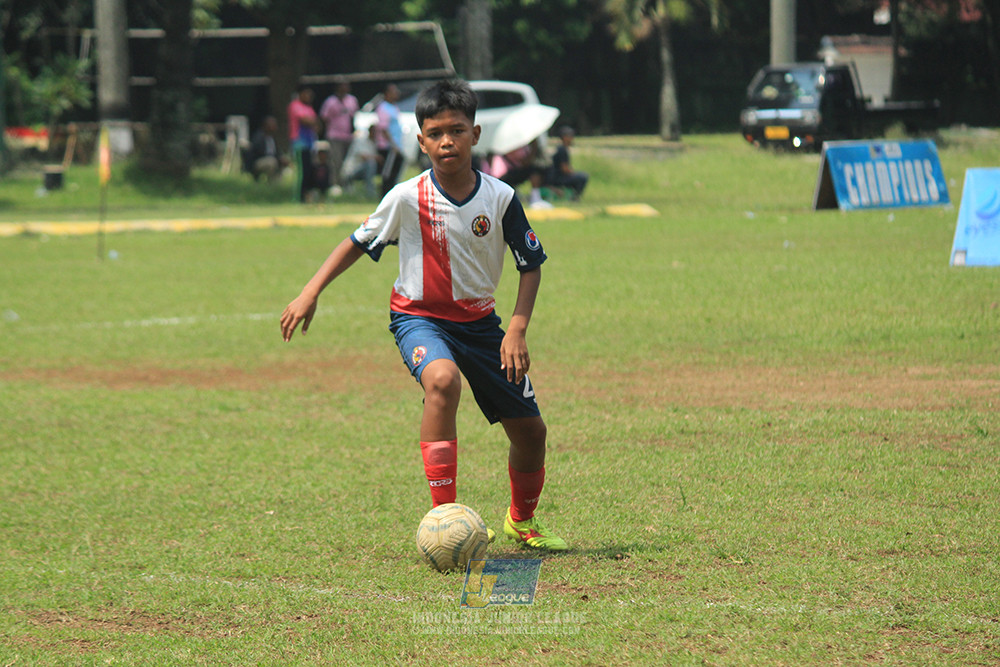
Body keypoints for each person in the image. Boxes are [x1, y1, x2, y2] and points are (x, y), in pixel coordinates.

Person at [280, 78, 567, 552]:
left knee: (531, 432)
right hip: (420, 319)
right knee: (442, 381)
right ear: (420, 141)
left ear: (475, 134)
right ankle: (444, 517)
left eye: (456, 130)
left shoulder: (499, 198)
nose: (446, 141)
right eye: (435, 133)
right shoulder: (405, 197)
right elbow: (355, 243)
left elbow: (530, 265)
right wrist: (310, 292)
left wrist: (516, 329)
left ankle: (521, 521)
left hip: (482, 327)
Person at [319, 82, 359, 195]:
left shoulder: (352, 100)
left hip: (348, 136)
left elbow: (354, 116)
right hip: (334, 135)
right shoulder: (330, 102)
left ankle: (346, 183)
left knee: (348, 162)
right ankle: (335, 184)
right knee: (336, 160)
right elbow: (324, 118)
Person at [489, 139, 551, 209]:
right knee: (533, 170)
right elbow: (525, 162)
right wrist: (534, 147)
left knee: (534, 170)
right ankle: (535, 198)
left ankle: (535, 196)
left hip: (507, 174)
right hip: (502, 176)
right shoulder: (512, 145)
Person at [287, 85, 319, 202]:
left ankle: (306, 196)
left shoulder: (309, 108)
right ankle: (298, 197)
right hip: (299, 143)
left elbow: (316, 124)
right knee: (302, 171)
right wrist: (312, 121)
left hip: (310, 143)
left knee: (309, 171)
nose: (308, 97)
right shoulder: (295, 106)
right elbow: (306, 120)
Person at [375, 83, 405, 197]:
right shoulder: (383, 108)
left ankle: (393, 195)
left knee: (395, 173)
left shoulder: (394, 107)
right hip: (389, 147)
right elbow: (384, 129)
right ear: (387, 94)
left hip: (396, 146)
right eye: (394, 91)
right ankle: (385, 196)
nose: (396, 94)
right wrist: (393, 144)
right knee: (387, 174)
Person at [341, 124, 381, 199]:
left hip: (362, 170)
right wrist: (377, 158)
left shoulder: (373, 144)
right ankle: (370, 193)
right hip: (352, 170)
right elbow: (363, 157)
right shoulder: (360, 140)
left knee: (371, 164)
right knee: (371, 164)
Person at [548, 126, 589, 200]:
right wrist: (573, 172)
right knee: (582, 177)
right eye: (570, 136)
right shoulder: (562, 150)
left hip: (555, 177)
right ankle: (575, 197)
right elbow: (564, 169)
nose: (572, 138)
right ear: (564, 137)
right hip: (558, 178)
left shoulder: (560, 148)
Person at [247, 116, 287, 183]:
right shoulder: (258, 137)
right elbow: (260, 153)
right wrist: (277, 158)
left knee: (280, 162)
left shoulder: (272, 138)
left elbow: (277, 152)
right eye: (273, 125)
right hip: (257, 163)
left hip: (271, 160)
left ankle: (277, 183)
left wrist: (282, 158)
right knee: (272, 161)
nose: (275, 127)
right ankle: (270, 182)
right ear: (266, 126)